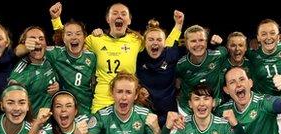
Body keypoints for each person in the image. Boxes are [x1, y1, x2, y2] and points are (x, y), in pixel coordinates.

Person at [48, 2, 182, 113]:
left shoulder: (136, 40)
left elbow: (162, 44)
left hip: (127, 97)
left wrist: (178, 26)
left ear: (129, 20)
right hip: (103, 99)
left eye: (123, 14)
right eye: (115, 13)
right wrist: (56, 20)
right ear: (107, 19)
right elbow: (69, 39)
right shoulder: (95, 39)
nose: (119, 16)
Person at [247, 19, 281, 134]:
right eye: (263, 34)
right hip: (261, 109)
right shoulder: (251, 54)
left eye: (272, 33)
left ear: (279, 35)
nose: (268, 37)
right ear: (257, 37)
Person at [176, 25, 227, 115]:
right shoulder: (181, 64)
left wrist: (220, 43)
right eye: (193, 41)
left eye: (201, 40)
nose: (198, 44)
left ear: (207, 42)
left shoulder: (218, 55)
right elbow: (176, 84)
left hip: (215, 108)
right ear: (186, 44)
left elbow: (227, 50)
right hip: (187, 110)